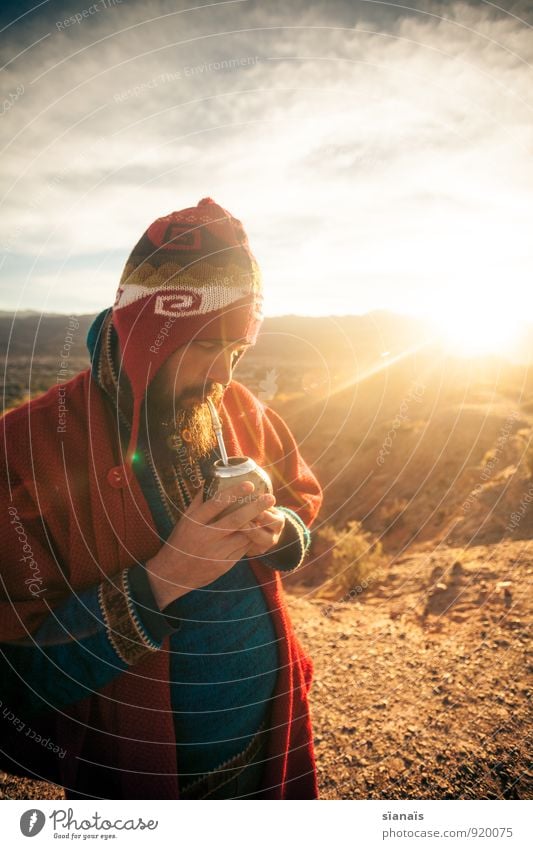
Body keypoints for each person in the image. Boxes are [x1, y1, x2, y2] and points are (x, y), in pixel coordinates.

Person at [0, 197, 323, 800]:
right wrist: (166, 578)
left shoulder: (239, 408)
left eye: (239, 350)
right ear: (150, 330)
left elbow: (301, 499)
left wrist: (280, 530)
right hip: (142, 779)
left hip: (267, 744)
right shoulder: (26, 450)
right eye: (207, 346)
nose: (224, 373)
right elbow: (17, 675)